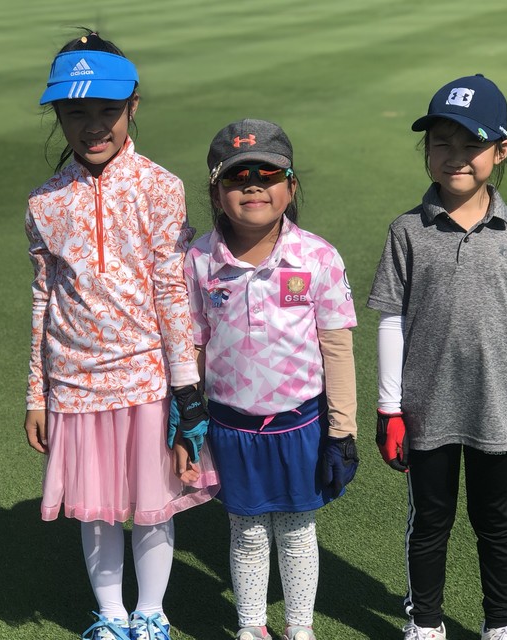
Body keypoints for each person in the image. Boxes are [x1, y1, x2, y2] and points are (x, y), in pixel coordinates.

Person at [23, 30, 219, 640]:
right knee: (96, 507)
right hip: (74, 381)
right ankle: (110, 615)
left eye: (107, 110)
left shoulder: (161, 186)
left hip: (146, 376)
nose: (92, 127)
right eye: (75, 113)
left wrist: (186, 392)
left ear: (133, 105)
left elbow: (171, 291)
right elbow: (43, 298)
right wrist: (36, 392)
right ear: (58, 116)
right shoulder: (44, 202)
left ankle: (151, 613)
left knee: (153, 504)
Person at [368, 74, 507, 640]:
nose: (455, 156)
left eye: (471, 143)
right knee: (430, 521)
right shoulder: (407, 230)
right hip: (426, 406)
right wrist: (389, 409)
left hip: (498, 405)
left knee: (495, 522)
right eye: (441, 142)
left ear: (500, 151)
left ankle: (501, 623)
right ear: (426, 150)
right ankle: (425, 622)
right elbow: (391, 320)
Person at [184, 119, 359, 640]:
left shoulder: (318, 256)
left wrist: (342, 430)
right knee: (246, 533)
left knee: (298, 532)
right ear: (216, 191)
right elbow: (192, 347)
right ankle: (250, 626)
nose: (254, 186)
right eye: (237, 177)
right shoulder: (198, 260)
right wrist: (185, 422)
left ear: (292, 186)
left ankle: (299, 627)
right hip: (231, 427)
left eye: (268, 174)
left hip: (300, 425)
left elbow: (337, 349)